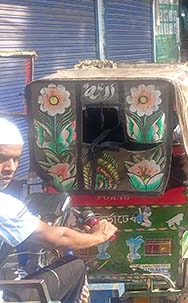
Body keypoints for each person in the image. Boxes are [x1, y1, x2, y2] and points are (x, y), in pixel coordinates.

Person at [0, 118, 117, 303]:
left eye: (16, 159)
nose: (11, 168)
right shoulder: (4, 205)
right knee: (74, 266)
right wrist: (99, 236)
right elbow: (58, 238)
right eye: (2, 159)